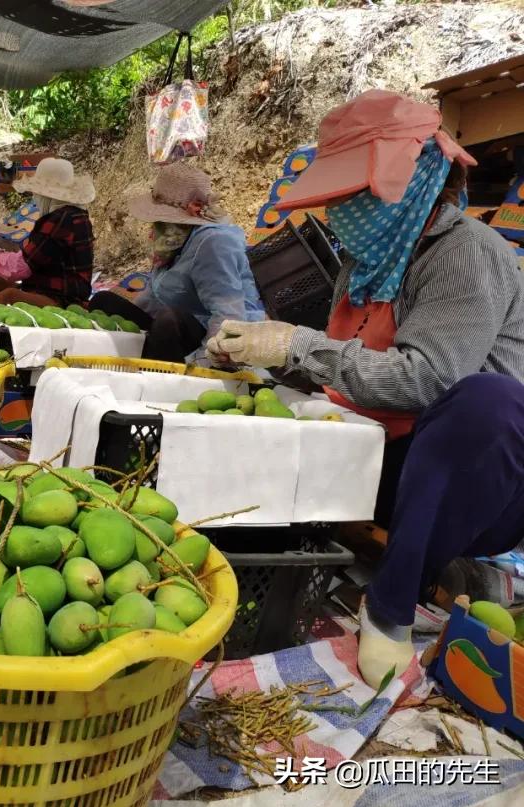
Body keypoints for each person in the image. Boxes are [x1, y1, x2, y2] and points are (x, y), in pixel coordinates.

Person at [205, 90, 524, 688]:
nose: (342, 210)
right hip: (379, 454)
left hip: (472, 477)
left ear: (416, 178)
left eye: (357, 194)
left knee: (486, 403)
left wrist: (296, 345)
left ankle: (392, 604)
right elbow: (346, 366)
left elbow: (428, 381)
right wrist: (262, 354)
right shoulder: (369, 257)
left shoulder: (466, 254)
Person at [91, 163, 264, 362]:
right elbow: (154, 297)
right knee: (103, 301)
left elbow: (229, 315)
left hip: (214, 335)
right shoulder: (172, 240)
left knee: (168, 321)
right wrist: (132, 328)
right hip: (176, 328)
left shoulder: (213, 244)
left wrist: (208, 362)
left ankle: (157, 379)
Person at [0, 157, 95, 306]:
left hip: (62, 299)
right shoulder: (74, 215)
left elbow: (22, 267)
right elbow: (34, 257)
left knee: (8, 296)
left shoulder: (60, 219)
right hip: (41, 289)